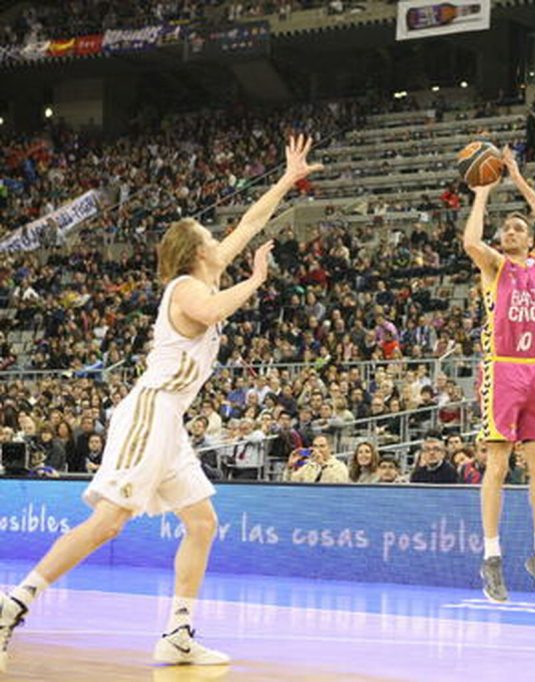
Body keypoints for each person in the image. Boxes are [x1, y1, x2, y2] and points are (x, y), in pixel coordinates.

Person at [0, 134, 321, 672]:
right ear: (197, 251)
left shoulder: (205, 272)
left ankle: (178, 634)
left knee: (202, 522)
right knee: (108, 523)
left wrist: (287, 179)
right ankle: (14, 604)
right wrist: (257, 279)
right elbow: (214, 310)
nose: (220, 239)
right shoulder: (185, 289)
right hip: (151, 409)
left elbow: (249, 223)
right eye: (210, 237)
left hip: (169, 421)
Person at [463, 146, 535, 602]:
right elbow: (470, 242)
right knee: (498, 465)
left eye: (519, 227)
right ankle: (492, 558)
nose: (512, 231)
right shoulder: (495, 266)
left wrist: (518, 178)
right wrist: (482, 192)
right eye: (507, 228)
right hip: (501, 370)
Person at [285, 435, 349, 484]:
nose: (318, 449)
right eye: (315, 446)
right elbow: (292, 483)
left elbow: (338, 485)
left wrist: (322, 465)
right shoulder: (309, 466)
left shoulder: (339, 466)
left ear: (330, 448)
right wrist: (290, 467)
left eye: (322, 446)